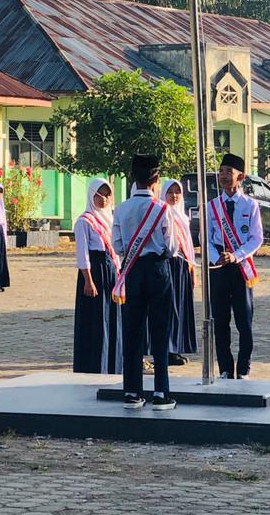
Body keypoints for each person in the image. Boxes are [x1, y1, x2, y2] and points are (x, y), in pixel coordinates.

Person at [112, 154, 179, 412]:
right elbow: (172, 246)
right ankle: (161, 392)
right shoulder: (163, 209)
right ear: (156, 180)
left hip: (132, 270)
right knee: (160, 331)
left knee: (132, 331)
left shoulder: (121, 208)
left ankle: (132, 392)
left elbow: (117, 245)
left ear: (133, 178)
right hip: (158, 269)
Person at [207, 153, 263, 380]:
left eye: (228, 172)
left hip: (240, 266)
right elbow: (207, 236)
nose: (223, 176)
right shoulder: (212, 206)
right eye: (221, 171)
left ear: (241, 176)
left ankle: (244, 368)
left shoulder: (251, 205)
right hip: (219, 266)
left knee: (244, 320)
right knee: (220, 320)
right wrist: (215, 257)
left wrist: (236, 256)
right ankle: (225, 368)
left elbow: (256, 238)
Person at [73, 177, 118, 374]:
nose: (104, 199)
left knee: (112, 317)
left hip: (110, 270)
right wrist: (88, 280)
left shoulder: (111, 219)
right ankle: (94, 364)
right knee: (96, 320)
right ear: (91, 195)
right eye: (99, 194)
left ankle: (113, 363)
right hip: (94, 272)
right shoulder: (84, 221)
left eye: (107, 194)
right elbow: (82, 253)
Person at [158, 178, 197, 365]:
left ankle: (178, 347)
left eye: (177, 192)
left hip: (183, 265)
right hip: (169, 263)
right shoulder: (162, 214)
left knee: (182, 305)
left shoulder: (183, 216)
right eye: (170, 192)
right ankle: (167, 349)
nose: (174, 196)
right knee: (169, 307)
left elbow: (188, 244)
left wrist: (192, 267)